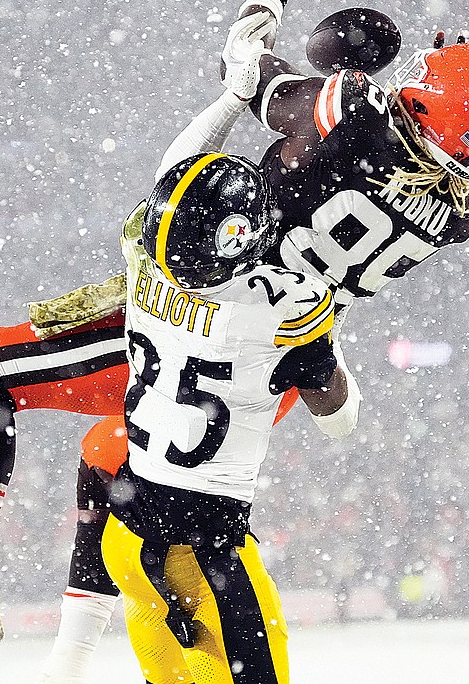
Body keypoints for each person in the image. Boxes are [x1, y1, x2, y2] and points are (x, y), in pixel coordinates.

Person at [0, 0, 469, 681]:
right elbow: (425, 151)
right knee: (111, 455)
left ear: (431, 97)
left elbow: (244, 69)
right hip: (281, 352)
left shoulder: (353, 114)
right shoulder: (464, 211)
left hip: (197, 308)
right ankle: (65, 665)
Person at [100, 110, 359, 684]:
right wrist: (328, 335)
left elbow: (171, 174)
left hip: (127, 536)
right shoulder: (282, 308)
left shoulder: (143, 263)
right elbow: (340, 418)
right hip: (209, 554)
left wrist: (232, 97)